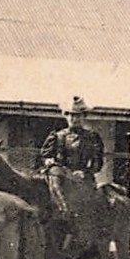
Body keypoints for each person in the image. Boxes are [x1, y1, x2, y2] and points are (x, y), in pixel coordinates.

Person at [39, 96, 106, 226]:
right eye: (70, 115)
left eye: (77, 116)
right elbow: (45, 156)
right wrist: (49, 162)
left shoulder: (92, 137)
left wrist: (85, 172)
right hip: (60, 178)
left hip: (82, 178)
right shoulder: (57, 136)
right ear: (65, 116)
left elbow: (97, 162)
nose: (73, 119)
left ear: (83, 116)